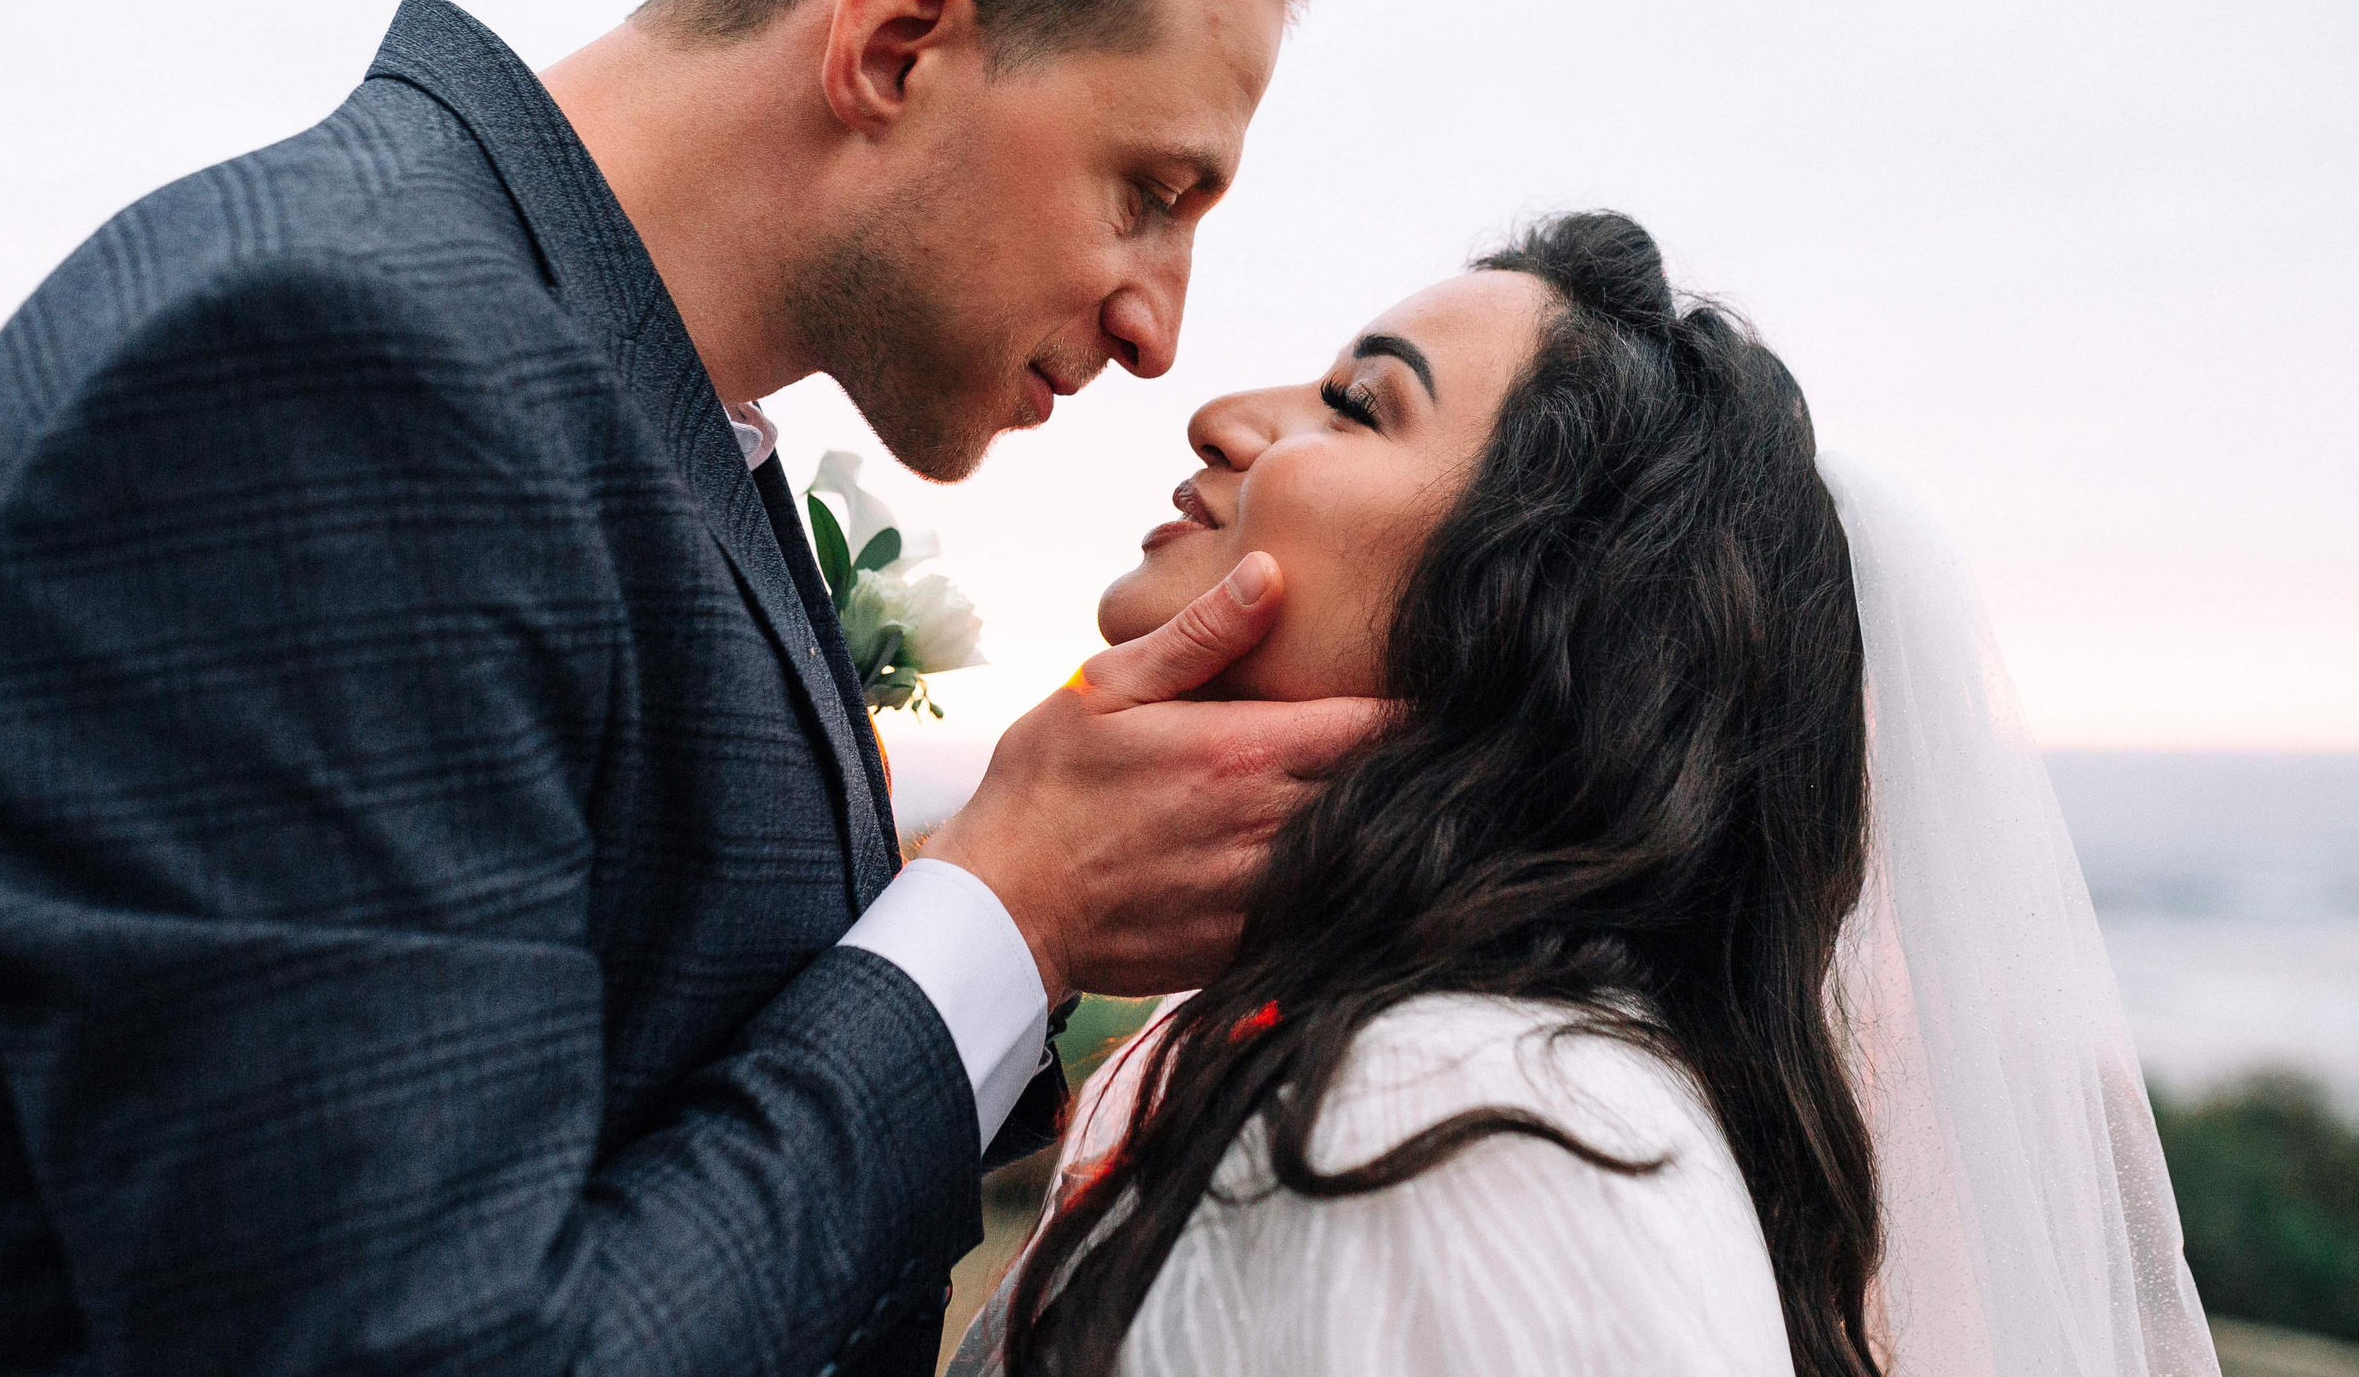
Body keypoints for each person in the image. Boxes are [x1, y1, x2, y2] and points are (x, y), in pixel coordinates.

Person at [0, 0, 1379, 1376]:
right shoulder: (335, 375)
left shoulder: (582, 389)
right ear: (896, 43)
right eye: (1151, 190)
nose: (1162, 328)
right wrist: (1008, 915)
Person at [951, 213, 2221, 1377]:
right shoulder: (1421, 1067)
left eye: (1355, 406)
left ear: (1529, 612)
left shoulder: (1465, 1132)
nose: (1221, 414)